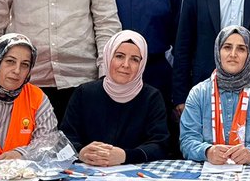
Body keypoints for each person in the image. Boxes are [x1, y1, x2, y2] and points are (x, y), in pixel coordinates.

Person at [60, 30, 170, 166]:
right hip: (88, 174)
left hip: (136, 177)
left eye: (134, 59)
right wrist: (81, 152)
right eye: (119, 56)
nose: (125, 64)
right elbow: (64, 140)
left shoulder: (151, 97)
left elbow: (160, 145)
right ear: (108, 56)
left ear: (142, 64)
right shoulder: (84, 93)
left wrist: (125, 156)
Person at [179, 26, 250, 165]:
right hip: (207, 171)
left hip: (249, 171)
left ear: (249, 55)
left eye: (241, 49)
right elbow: (187, 139)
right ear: (217, 52)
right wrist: (207, 151)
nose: (233, 54)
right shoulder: (198, 93)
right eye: (227, 47)